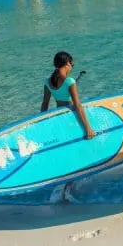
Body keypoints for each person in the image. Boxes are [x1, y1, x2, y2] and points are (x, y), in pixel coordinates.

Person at [41, 51, 95, 202]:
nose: (72, 67)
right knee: (78, 153)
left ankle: (62, 187)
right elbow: (77, 106)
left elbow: (44, 104)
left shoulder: (47, 81)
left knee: (66, 153)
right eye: (72, 64)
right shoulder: (70, 81)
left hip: (57, 119)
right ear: (67, 64)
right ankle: (69, 188)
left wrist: (42, 124)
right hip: (70, 119)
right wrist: (88, 128)